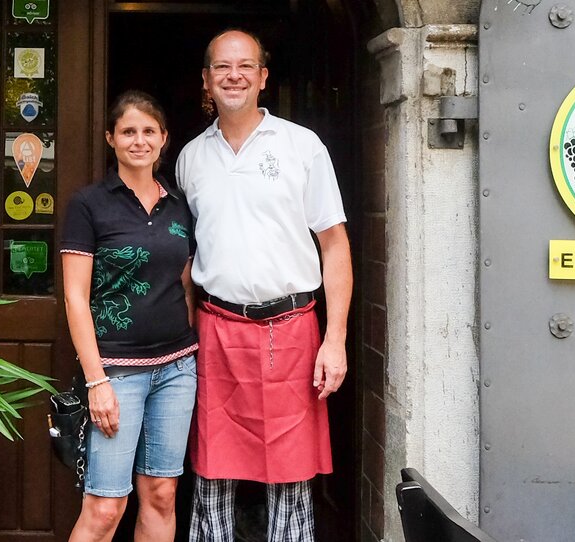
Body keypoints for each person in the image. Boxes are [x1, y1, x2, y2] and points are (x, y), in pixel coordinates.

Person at [176, 29, 353, 541]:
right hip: (215, 328)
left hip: (293, 327)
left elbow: (334, 245)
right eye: (222, 67)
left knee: (292, 472)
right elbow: (186, 256)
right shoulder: (190, 158)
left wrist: (335, 339)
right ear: (206, 78)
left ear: (263, 77)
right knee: (212, 469)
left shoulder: (302, 146)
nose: (234, 75)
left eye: (245, 66)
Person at [61, 90, 199, 542]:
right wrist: (96, 380)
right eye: (127, 132)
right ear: (111, 139)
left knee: (160, 493)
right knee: (105, 507)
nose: (138, 141)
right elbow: (75, 298)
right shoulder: (89, 204)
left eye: (148, 131)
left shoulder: (180, 205)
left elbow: (185, 283)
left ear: (163, 139)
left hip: (178, 368)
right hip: (117, 374)